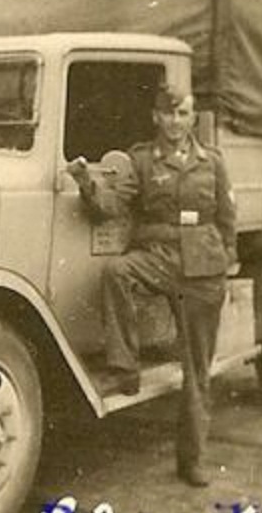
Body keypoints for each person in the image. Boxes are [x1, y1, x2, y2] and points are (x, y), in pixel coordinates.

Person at [67, 83, 238, 487]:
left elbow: (228, 217)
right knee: (117, 272)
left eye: (183, 114)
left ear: (193, 117)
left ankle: (191, 461)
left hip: (203, 268)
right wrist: (86, 182)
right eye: (168, 114)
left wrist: (227, 261)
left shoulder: (212, 161)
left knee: (197, 370)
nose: (176, 122)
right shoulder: (140, 160)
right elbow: (111, 208)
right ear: (155, 117)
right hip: (158, 257)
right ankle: (126, 365)